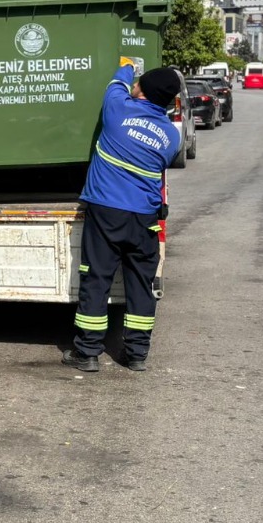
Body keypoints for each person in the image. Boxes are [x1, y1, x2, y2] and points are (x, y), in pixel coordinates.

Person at [65, 61, 181, 374]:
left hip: (107, 213)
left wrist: (127, 67)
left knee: (97, 278)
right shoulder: (171, 137)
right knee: (141, 286)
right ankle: (137, 354)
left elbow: (115, 86)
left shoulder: (118, 112)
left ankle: (87, 352)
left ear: (141, 89)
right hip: (145, 218)